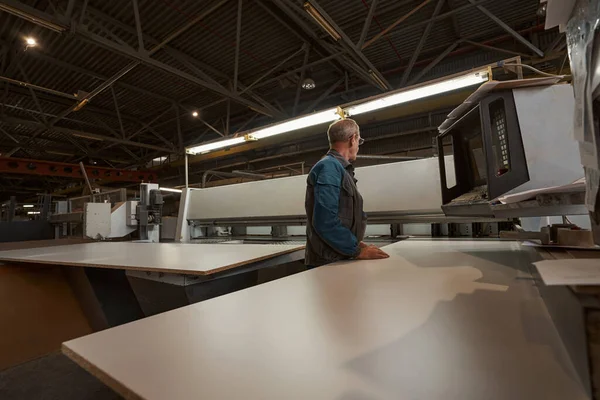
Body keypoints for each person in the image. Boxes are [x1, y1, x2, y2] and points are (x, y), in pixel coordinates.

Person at [305, 118, 389, 268]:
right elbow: (325, 221)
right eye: (359, 141)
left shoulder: (340, 169)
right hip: (328, 261)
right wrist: (355, 250)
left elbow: (342, 215)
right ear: (353, 139)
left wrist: (355, 242)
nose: (358, 146)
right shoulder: (329, 168)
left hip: (338, 256)